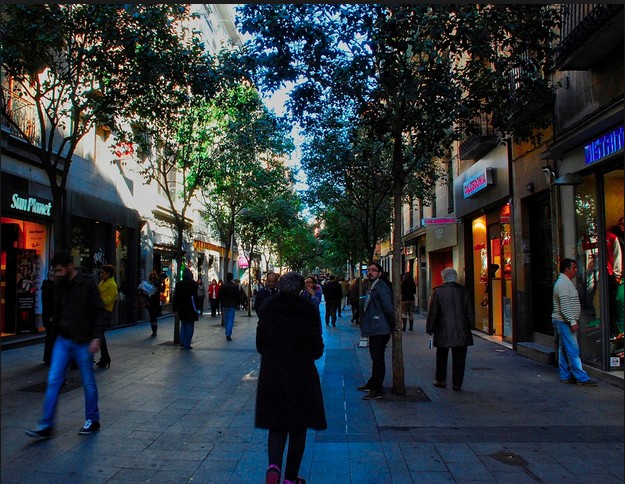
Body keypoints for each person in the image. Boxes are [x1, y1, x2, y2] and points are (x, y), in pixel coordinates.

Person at [25, 251, 107, 439]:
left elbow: (100, 311)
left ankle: (92, 419)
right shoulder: (59, 284)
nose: (57, 274)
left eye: (60, 270)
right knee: (54, 379)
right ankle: (46, 424)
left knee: (88, 381)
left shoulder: (86, 283)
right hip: (63, 339)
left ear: (70, 267)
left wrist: (96, 338)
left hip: (82, 340)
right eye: (55, 271)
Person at [255, 271, 327, 484]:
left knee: (276, 426)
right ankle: (290, 479)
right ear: (300, 288)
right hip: (301, 376)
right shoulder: (308, 309)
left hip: (272, 375)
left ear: (279, 286)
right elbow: (317, 349)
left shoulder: (268, 308)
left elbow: (260, 344)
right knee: (298, 429)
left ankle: (273, 468)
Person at [426, 267, 474, 391]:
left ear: (444, 278)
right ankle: (457, 383)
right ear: (455, 277)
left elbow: (433, 312)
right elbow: (469, 311)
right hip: (461, 329)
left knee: (441, 355)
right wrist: (470, 326)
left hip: (443, 329)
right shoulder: (463, 291)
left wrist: (430, 327)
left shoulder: (438, 292)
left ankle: (441, 380)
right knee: (459, 358)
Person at [552, 258, 597, 386]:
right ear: (567, 269)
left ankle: (565, 375)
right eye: (574, 268)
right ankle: (581, 377)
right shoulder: (562, 284)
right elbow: (565, 305)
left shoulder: (565, 282)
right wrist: (572, 321)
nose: (576, 270)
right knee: (573, 349)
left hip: (563, 321)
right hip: (564, 321)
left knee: (564, 349)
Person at [358, 263, 397, 400]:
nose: (370, 272)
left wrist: (393, 325)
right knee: (375, 358)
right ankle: (373, 383)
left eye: (373, 270)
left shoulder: (381, 287)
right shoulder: (374, 286)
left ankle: (377, 389)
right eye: (368, 270)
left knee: (378, 358)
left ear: (380, 273)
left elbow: (388, 308)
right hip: (376, 327)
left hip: (380, 328)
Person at [96, 264, 117, 368]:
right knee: (99, 335)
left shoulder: (112, 285)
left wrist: (98, 298)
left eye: (103, 273)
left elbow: (108, 300)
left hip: (105, 312)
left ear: (108, 274)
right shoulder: (103, 282)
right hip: (99, 311)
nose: (101, 274)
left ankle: (105, 357)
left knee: (99, 334)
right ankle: (104, 357)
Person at [173, 268, 199, 350]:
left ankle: (182, 341)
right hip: (191, 307)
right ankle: (187, 343)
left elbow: (176, 297)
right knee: (190, 325)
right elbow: (196, 296)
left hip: (182, 307)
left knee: (183, 324)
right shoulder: (193, 284)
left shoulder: (179, 284)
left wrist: (175, 308)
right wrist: (198, 307)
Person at [219, 272, 240, 341]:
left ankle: (227, 331)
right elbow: (237, 296)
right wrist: (238, 303)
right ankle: (228, 333)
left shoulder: (222, 286)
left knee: (226, 319)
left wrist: (221, 302)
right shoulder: (235, 286)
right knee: (231, 319)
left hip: (224, 304)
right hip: (232, 304)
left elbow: (220, 295)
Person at [41, 268, 55, 366]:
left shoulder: (50, 286)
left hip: (51, 316)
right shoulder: (48, 287)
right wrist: (51, 315)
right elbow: (48, 304)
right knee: (50, 337)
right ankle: (48, 358)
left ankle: (49, 358)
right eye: (52, 276)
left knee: (51, 338)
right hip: (50, 316)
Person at [146, 271, 161, 336]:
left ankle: (154, 330)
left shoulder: (156, 283)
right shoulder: (150, 283)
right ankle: (153, 330)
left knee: (153, 317)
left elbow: (158, 292)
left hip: (154, 302)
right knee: (152, 317)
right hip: (150, 302)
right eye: (151, 277)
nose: (152, 278)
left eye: (153, 277)